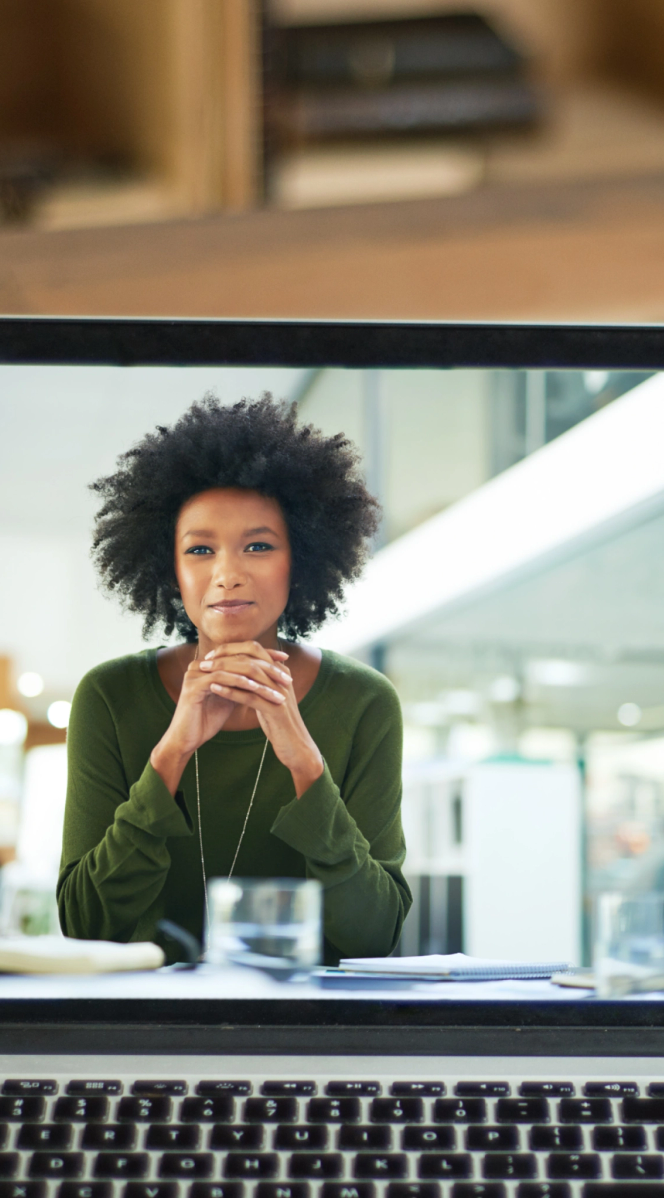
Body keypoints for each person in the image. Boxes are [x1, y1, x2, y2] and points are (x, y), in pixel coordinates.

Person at [57, 394, 409, 962]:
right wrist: (170, 753)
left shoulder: (363, 702)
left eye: (258, 546)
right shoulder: (111, 697)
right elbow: (85, 926)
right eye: (200, 549)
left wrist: (306, 764)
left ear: (301, 559)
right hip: (144, 1033)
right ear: (169, 568)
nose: (227, 575)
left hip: (308, 1035)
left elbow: (376, 936)